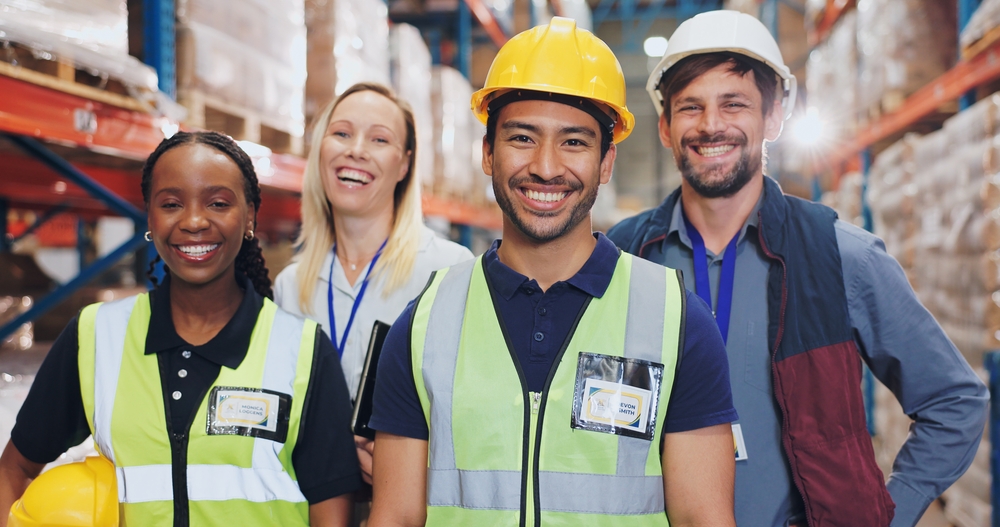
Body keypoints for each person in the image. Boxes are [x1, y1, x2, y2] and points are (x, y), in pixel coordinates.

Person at [608, 10, 990, 527]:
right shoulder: (624, 259)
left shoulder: (840, 257)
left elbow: (955, 401)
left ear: (774, 117)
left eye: (734, 103)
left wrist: (883, 515)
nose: (711, 124)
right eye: (690, 107)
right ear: (666, 128)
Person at [367, 17, 739, 527]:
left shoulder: (676, 322)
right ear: (487, 154)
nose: (545, 166)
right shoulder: (425, 324)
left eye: (574, 142)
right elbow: (395, 518)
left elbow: (705, 519)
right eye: (522, 137)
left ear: (606, 163)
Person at [0, 131, 360, 526]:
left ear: (250, 216)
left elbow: (331, 511)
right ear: (151, 218)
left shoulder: (302, 351)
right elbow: (13, 469)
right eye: (171, 204)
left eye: (218, 203)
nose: (192, 221)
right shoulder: (96, 337)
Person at [273, 82, 473, 486]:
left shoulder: (448, 270)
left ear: (403, 165)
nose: (357, 150)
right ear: (320, 150)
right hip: (315, 500)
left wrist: (406, 461)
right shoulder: (291, 286)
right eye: (342, 133)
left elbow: (469, 414)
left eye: (379, 139)